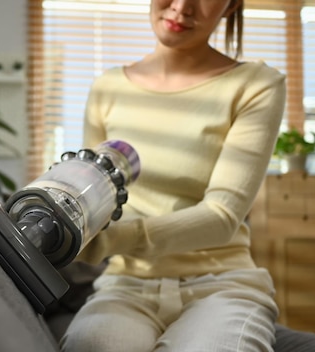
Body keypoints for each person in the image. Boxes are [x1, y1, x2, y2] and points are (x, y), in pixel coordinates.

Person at [60, 0, 286, 351]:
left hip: (222, 285)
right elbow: (94, 195)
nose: (182, 7)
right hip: (127, 285)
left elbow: (222, 216)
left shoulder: (256, 85)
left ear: (230, 7)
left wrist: (107, 241)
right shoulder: (107, 87)